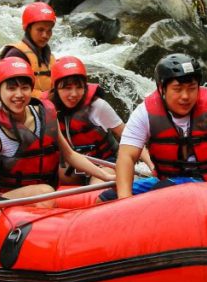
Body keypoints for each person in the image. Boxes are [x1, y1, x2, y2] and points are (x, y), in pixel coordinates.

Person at [103, 53, 207, 201]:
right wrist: (124, 200)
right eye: (177, 89)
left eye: (191, 88)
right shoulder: (144, 114)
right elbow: (127, 156)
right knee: (107, 198)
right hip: (168, 181)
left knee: (163, 191)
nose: (185, 96)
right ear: (162, 89)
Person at [0, 57, 115, 206]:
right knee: (45, 192)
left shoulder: (46, 115)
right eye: (11, 88)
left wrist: (106, 176)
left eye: (24, 88)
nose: (19, 94)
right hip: (11, 198)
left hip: (45, 194)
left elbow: (70, 155)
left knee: (47, 192)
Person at [45, 55, 153, 185]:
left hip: (106, 162)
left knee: (98, 186)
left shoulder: (98, 106)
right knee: (55, 173)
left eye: (79, 87)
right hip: (76, 166)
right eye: (67, 88)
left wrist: (151, 165)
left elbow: (131, 137)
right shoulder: (47, 111)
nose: (74, 94)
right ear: (55, 89)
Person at [0, 2, 56, 97]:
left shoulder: (48, 56)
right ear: (28, 29)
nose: (45, 35)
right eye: (40, 30)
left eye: (49, 30)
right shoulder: (15, 54)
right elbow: (11, 93)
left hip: (45, 106)